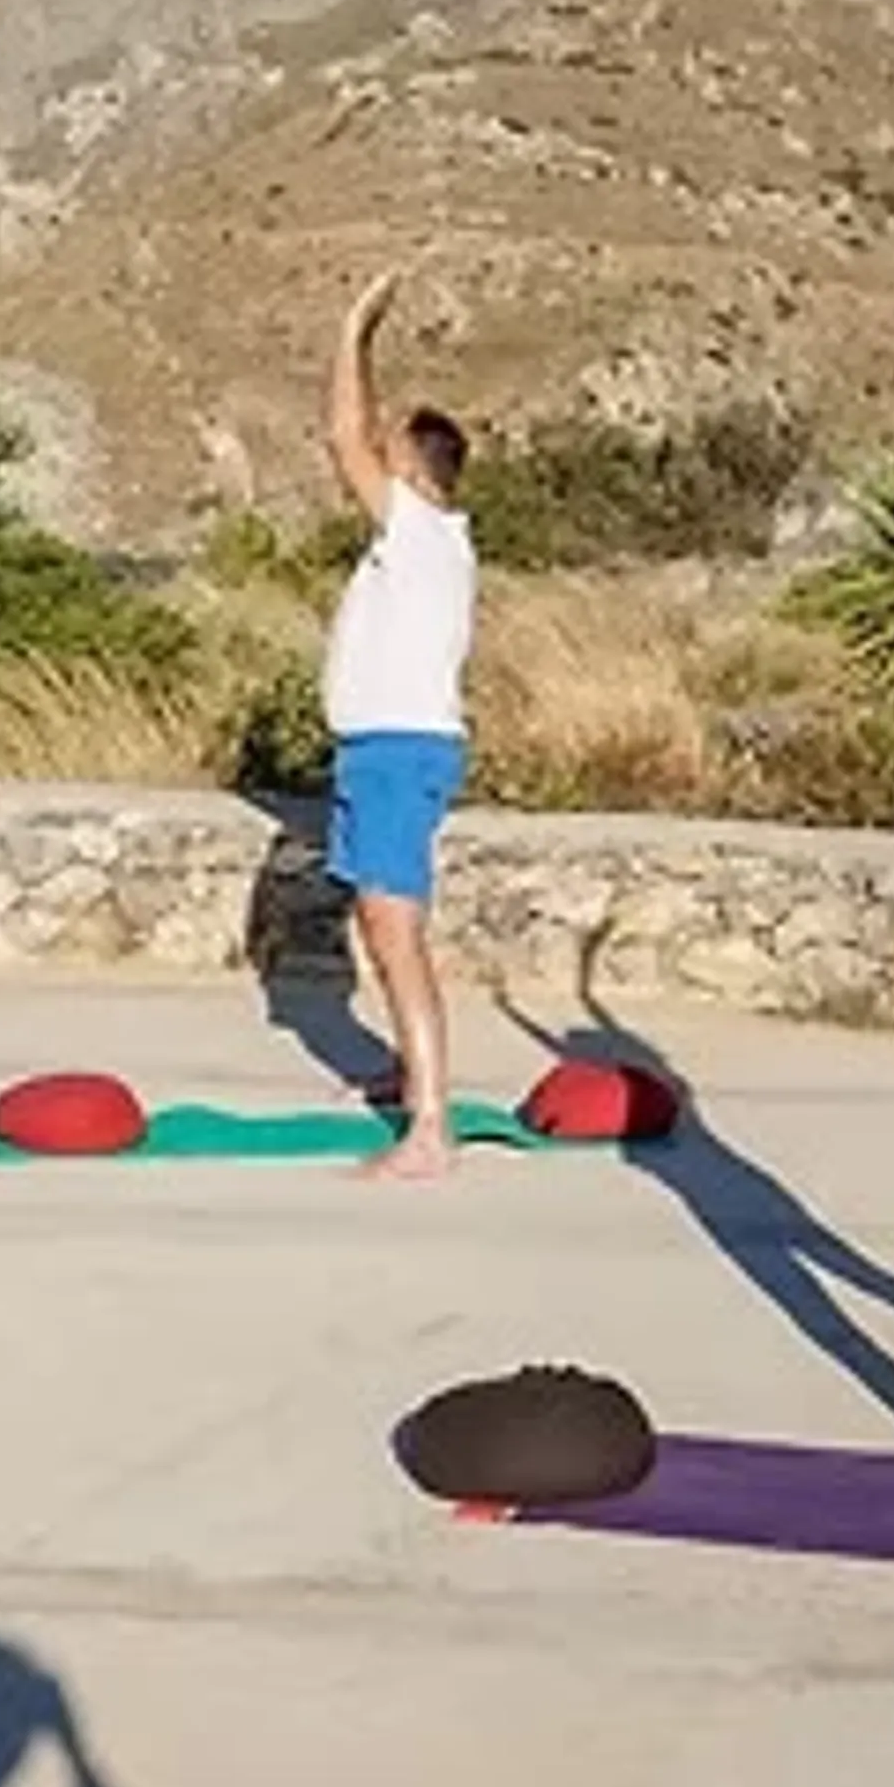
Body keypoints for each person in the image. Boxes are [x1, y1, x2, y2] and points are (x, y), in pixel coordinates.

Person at [319, 269, 481, 1181]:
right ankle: (410, 1073)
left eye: (391, 453)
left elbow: (343, 433)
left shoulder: (419, 529)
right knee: (379, 921)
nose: (373, 460)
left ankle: (430, 1129)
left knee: (394, 929)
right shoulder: (427, 542)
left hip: (396, 752)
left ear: (416, 473)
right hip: (379, 750)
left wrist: (355, 328)